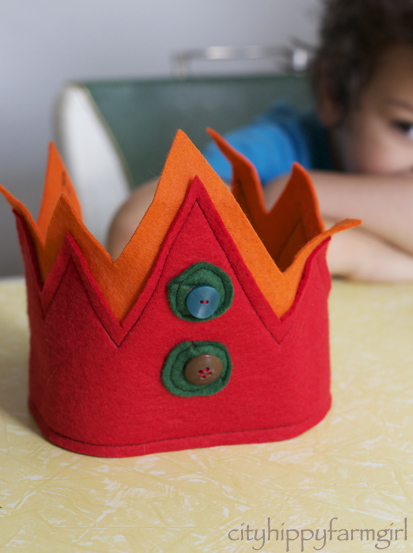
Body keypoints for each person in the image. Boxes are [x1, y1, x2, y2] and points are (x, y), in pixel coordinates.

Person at [107, 0, 413, 282]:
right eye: (407, 127)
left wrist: (305, 197)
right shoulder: (272, 150)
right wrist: (360, 256)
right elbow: (133, 230)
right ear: (333, 93)